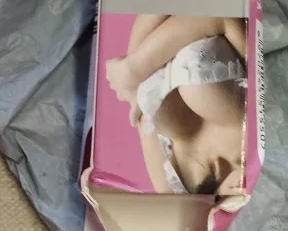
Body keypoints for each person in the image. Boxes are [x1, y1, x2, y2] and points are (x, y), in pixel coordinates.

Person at [106, 14, 247, 197]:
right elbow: (222, 18)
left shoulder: (170, 190)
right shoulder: (253, 141)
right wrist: (133, 70)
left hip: (158, 15)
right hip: (203, 4)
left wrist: (133, 70)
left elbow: (140, 98)